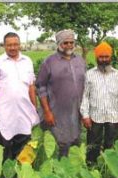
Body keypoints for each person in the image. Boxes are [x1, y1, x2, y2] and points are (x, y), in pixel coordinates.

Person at [0, 32, 39, 159]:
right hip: (5, 114)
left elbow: (31, 86)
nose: (13, 47)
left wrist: (34, 108)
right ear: (4, 46)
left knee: (24, 148)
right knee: (4, 148)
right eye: (9, 45)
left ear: (19, 45)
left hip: (24, 112)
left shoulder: (27, 61)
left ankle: (21, 175)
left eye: (15, 44)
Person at [36, 29, 86, 157]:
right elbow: (40, 87)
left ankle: (73, 174)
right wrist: (47, 112)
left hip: (76, 111)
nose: (69, 45)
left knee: (75, 142)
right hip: (56, 112)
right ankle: (59, 172)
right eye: (65, 43)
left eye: (71, 42)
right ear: (59, 44)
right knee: (61, 144)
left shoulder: (80, 61)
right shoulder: (49, 62)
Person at [80, 42, 118, 165]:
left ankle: (108, 168)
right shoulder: (89, 74)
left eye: (106, 57)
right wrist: (85, 115)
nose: (104, 60)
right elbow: (85, 96)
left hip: (113, 116)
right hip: (95, 116)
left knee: (111, 144)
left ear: (110, 57)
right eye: (101, 57)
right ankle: (92, 166)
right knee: (93, 145)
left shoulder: (117, 74)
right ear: (97, 57)